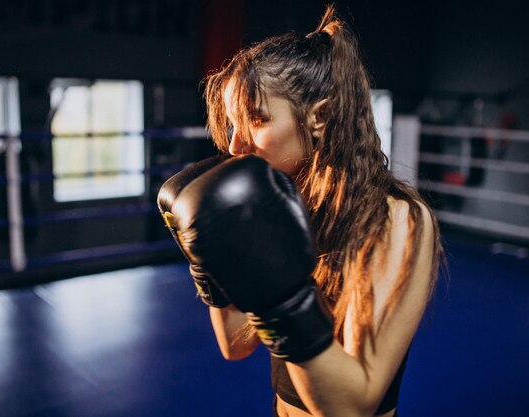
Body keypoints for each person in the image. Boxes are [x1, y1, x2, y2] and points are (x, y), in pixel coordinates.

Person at [158, 5, 443, 417]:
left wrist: (284, 302)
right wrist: (207, 269)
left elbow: (351, 408)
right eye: (233, 124)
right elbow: (236, 345)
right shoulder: (280, 204)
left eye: (256, 119)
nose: (236, 147)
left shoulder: (393, 218)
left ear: (319, 117)